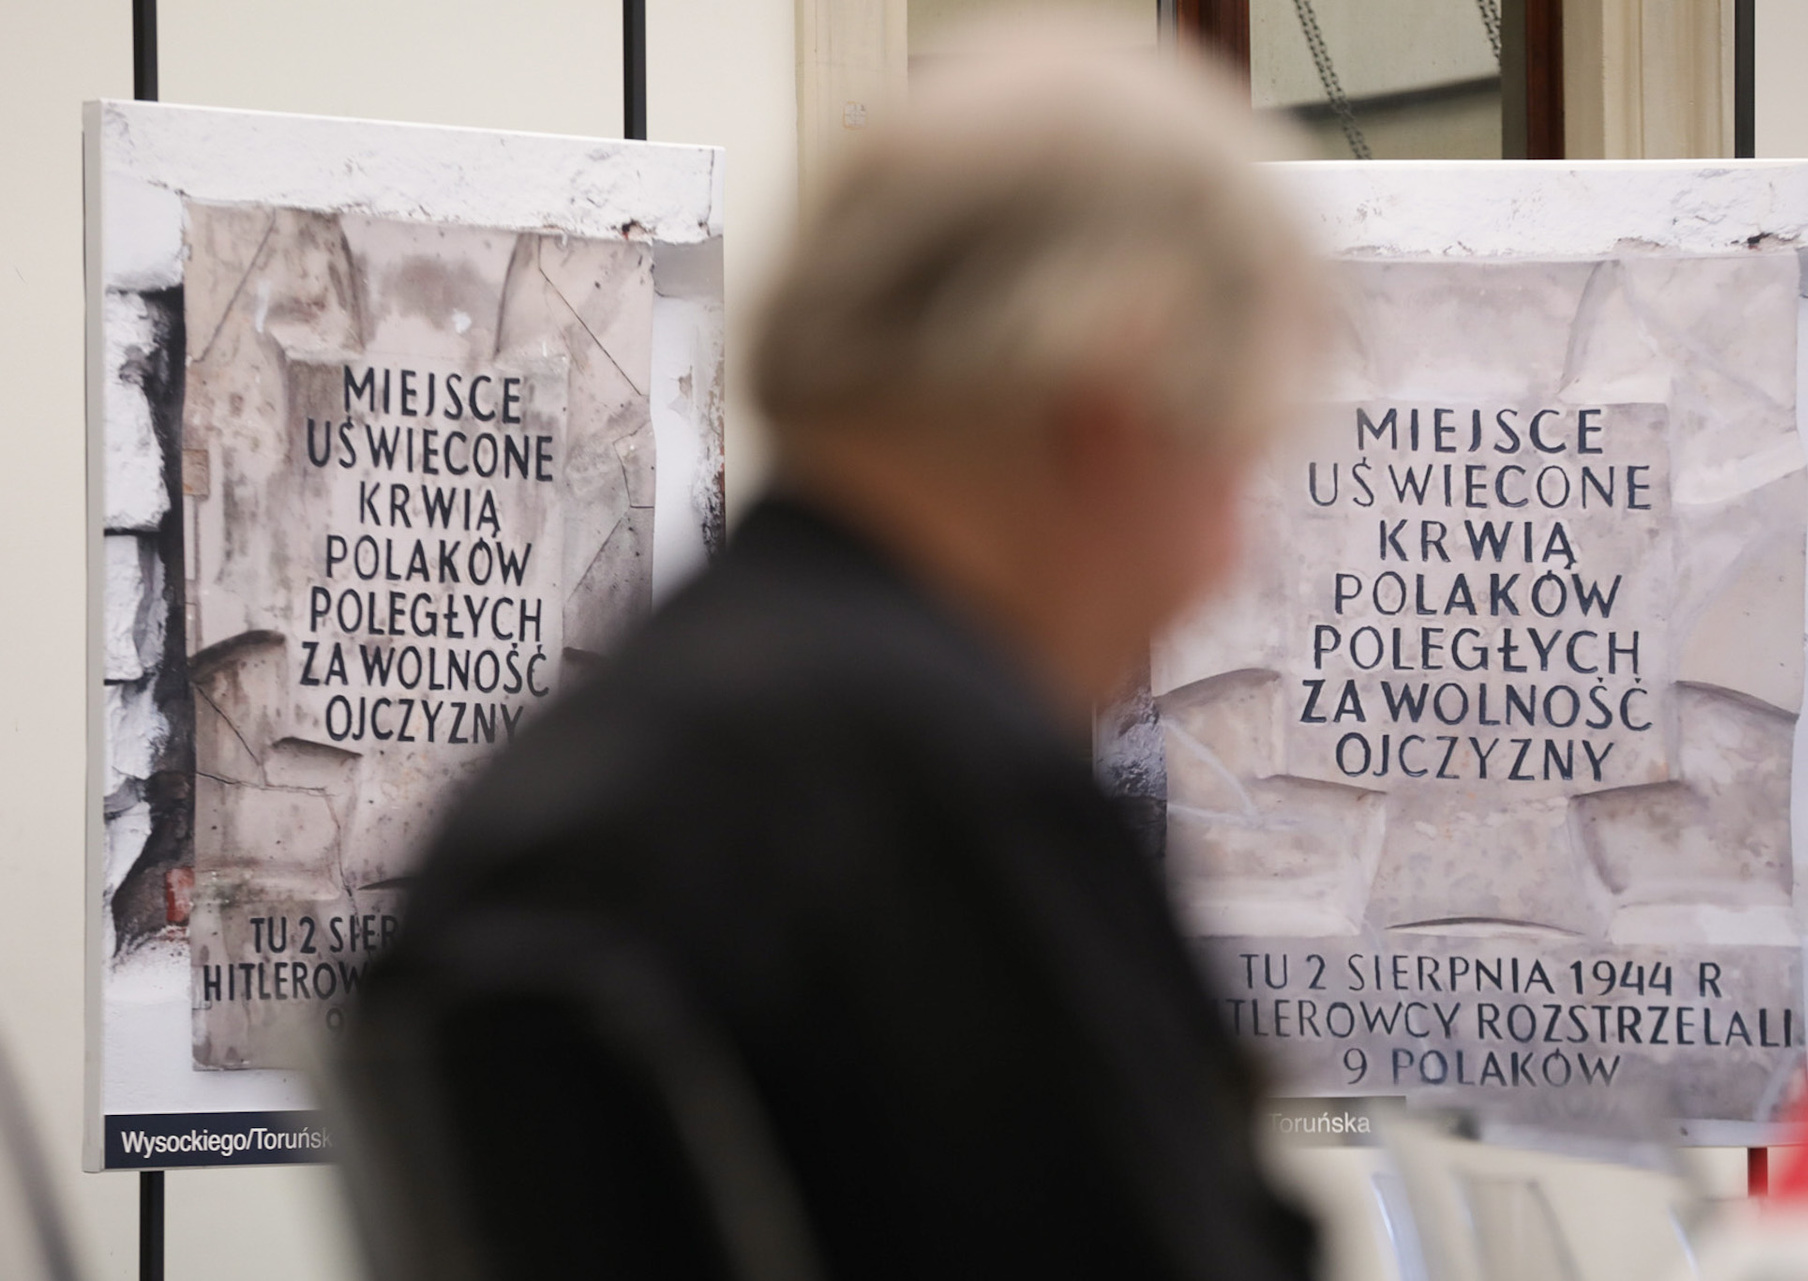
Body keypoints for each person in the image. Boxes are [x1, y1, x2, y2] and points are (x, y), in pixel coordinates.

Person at [336, 25, 1320, 1281]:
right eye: (1235, 463)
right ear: (1114, 413)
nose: (1226, 557)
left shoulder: (584, 764)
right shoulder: (950, 797)